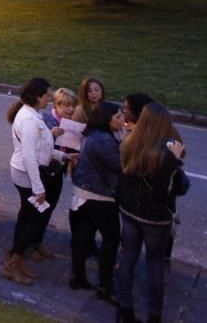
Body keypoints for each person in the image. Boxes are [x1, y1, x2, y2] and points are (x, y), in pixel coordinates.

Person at [116, 102, 189, 323]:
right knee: (154, 264)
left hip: (129, 210)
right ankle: (154, 316)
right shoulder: (167, 152)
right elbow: (180, 186)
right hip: (156, 218)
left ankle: (124, 310)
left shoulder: (129, 142)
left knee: (128, 257)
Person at [1, 78, 76, 286]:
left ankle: (15, 258)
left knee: (27, 217)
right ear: (36, 95)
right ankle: (12, 265)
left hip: (27, 173)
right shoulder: (29, 120)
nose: (49, 99)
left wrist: (62, 156)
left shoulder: (33, 115)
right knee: (34, 220)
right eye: (47, 95)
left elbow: (40, 147)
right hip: (26, 175)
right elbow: (29, 156)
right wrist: (39, 188)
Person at [68, 101, 123, 302]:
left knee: (83, 236)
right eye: (118, 117)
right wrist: (126, 141)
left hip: (83, 192)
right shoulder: (104, 140)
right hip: (99, 195)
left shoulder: (92, 134)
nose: (122, 120)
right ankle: (105, 286)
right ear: (106, 119)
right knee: (111, 240)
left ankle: (78, 276)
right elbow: (120, 165)